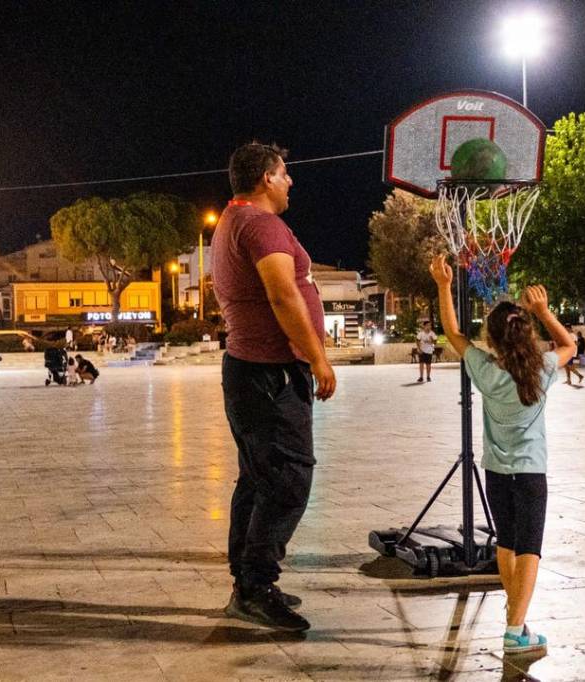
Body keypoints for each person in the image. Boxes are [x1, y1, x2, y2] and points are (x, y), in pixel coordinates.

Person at [212, 142, 336, 632]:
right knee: (288, 481)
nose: (291, 182)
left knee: (258, 478)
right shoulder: (261, 225)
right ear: (266, 176)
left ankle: (247, 581)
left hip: (249, 372)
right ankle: (256, 587)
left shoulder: (232, 219)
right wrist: (318, 358)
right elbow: (283, 295)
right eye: (285, 174)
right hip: (270, 375)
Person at [430, 253, 574, 656]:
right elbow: (569, 345)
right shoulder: (542, 368)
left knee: (507, 542)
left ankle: (517, 620)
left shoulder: (484, 369)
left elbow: (453, 332)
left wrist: (443, 286)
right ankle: (514, 630)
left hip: (496, 472)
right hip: (530, 473)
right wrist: (544, 311)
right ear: (526, 336)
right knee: (530, 546)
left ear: (491, 339)